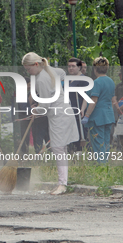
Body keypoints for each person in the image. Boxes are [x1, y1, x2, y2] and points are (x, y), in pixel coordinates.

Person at [22, 52, 78, 195]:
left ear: (35, 64)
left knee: (58, 148)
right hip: (63, 111)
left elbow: (46, 104)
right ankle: (62, 182)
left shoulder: (41, 79)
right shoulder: (50, 69)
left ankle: (62, 184)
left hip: (59, 115)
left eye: (28, 69)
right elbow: (63, 73)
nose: (28, 72)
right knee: (61, 148)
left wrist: (36, 111)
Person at [81, 57, 116, 163]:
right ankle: (105, 166)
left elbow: (93, 100)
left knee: (98, 143)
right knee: (105, 143)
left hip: (97, 118)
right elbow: (112, 100)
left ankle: (100, 166)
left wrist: (86, 115)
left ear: (95, 69)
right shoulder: (111, 81)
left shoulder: (96, 82)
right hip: (109, 116)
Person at [67, 58, 89, 153]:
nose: (71, 68)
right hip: (69, 111)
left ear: (79, 67)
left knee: (80, 134)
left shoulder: (83, 79)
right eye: (69, 66)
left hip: (78, 111)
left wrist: (82, 109)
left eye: (73, 66)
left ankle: (79, 155)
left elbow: (86, 96)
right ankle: (72, 153)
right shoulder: (68, 79)